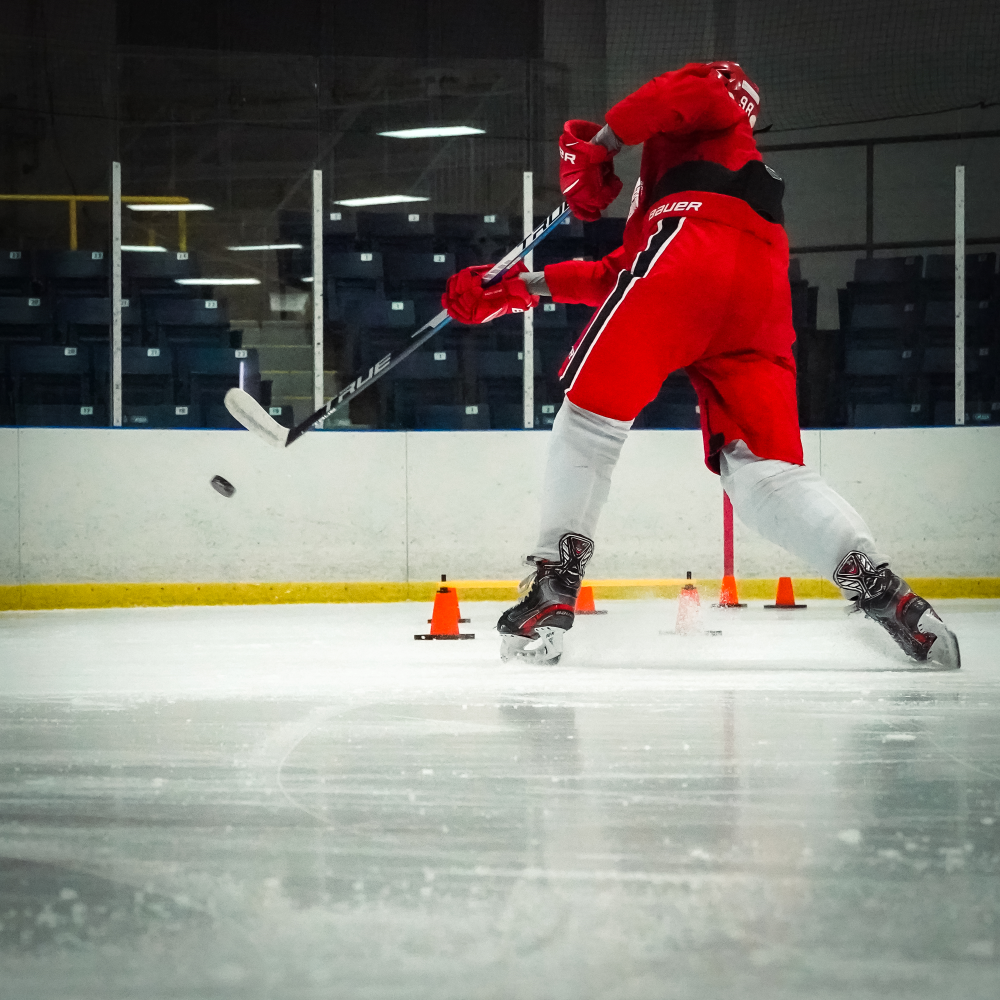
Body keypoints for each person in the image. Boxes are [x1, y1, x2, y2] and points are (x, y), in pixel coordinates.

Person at [442, 61, 960, 669]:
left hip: (695, 253)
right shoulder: (679, 178)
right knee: (765, 472)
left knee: (590, 420)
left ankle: (553, 588)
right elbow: (623, 272)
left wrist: (601, 145)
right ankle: (881, 589)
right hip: (757, 296)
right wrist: (517, 287)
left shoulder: (719, 106)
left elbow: (683, 93)